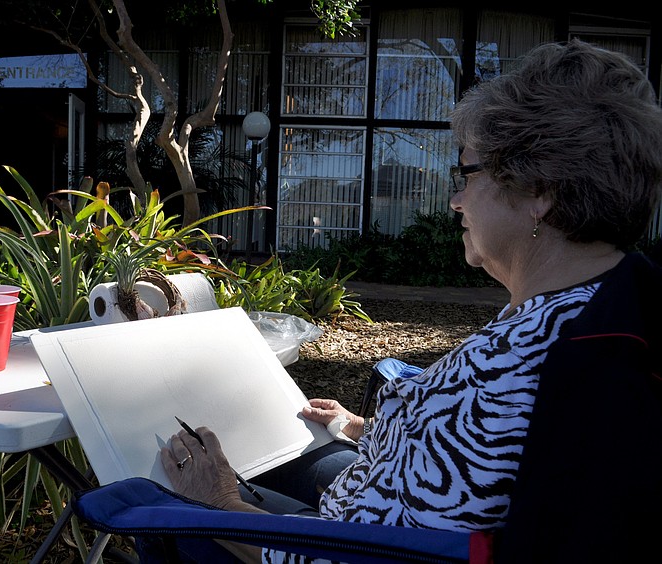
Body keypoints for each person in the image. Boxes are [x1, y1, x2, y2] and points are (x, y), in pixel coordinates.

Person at [160, 39, 662, 563]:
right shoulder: (599, 309)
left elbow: (354, 556)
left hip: (348, 540)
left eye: (467, 172)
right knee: (288, 449)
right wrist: (362, 426)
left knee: (168, 508)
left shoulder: (529, 376)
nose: (455, 199)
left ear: (540, 190)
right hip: (376, 484)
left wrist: (215, 505)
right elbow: (459, 456)